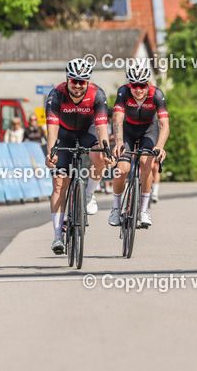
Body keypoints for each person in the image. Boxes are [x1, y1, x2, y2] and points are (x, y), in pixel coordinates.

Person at [44, 58, 110, 255]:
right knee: (59, 184)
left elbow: (101, 128)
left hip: (86, 131)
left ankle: (88, 193)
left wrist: (106, 151)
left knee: (98, 158)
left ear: (87, 81)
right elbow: (52, 130)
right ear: (67, 79)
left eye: (83, 81)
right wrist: (51, 153)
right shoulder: (56, 94)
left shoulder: (97, 94)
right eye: (74, 81)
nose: (78, 86)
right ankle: (57, 235)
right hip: (63, 135)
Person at [108, 61, 168, 229]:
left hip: (149, 129)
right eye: (134, 85)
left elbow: (164, 124)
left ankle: (143, 210)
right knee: (122, 168)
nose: (138, 89)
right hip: (128, 129)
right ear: (130, 84)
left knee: (146, 162)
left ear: (147, 83)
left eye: (142, 85)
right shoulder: (123, 92)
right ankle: (116, 207)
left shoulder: (157, 95)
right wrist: (119, 142)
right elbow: (118, 119)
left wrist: (160, 146)